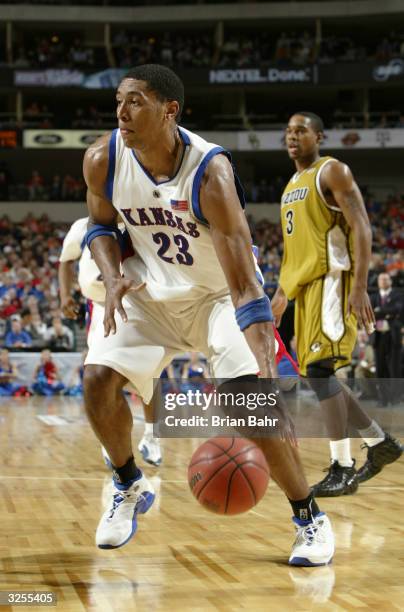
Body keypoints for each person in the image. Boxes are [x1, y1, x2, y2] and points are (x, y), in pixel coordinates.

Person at [82, 64, 334, 565]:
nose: (121, 113)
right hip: (150, 292)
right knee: (95, 381)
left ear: (169, 110)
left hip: (219, 297)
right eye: (119, 102)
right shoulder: (102, 159)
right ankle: (129, 484)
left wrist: (261, 350)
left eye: (135, 102)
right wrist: (111, 279)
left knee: (252, 404)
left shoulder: (209, 173)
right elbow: (99, 225)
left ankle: (309, 517)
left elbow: (242, 282)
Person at [272, 112, 402, 495]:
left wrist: (359, 286)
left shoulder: (333, 171)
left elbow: (362, 225)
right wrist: (282, 292)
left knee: (320, 370)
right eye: (289, 131)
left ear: (319, 136)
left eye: (301, 131)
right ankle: (379, 444)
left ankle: (342, 467)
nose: (293, 137)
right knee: (318, 373)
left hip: (333, 280)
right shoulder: (291, 184)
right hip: (306, 287)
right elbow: (294, 251)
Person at [58, 216, 162, 467]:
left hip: (136, 304)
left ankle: (151, 436)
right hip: (98, 306)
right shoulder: (81, 226)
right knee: (99, 377)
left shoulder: (137, 220)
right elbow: (65, 261)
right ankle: (112, 442)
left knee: (152, 373)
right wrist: (64, 296)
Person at [371, 272, 403, 404]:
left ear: (390, 281)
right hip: (378, 337)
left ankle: (395, 398)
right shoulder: (373, 297)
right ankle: (383, 398)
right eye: (381, 279)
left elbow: (398, 309)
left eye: (385, 279)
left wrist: (378, 311)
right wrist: (387, 313)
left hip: (393, 335)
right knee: (380, 368)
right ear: (378, 282)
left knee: (394, 368)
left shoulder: (399, 295)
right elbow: (369, 313)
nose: (383, 281)